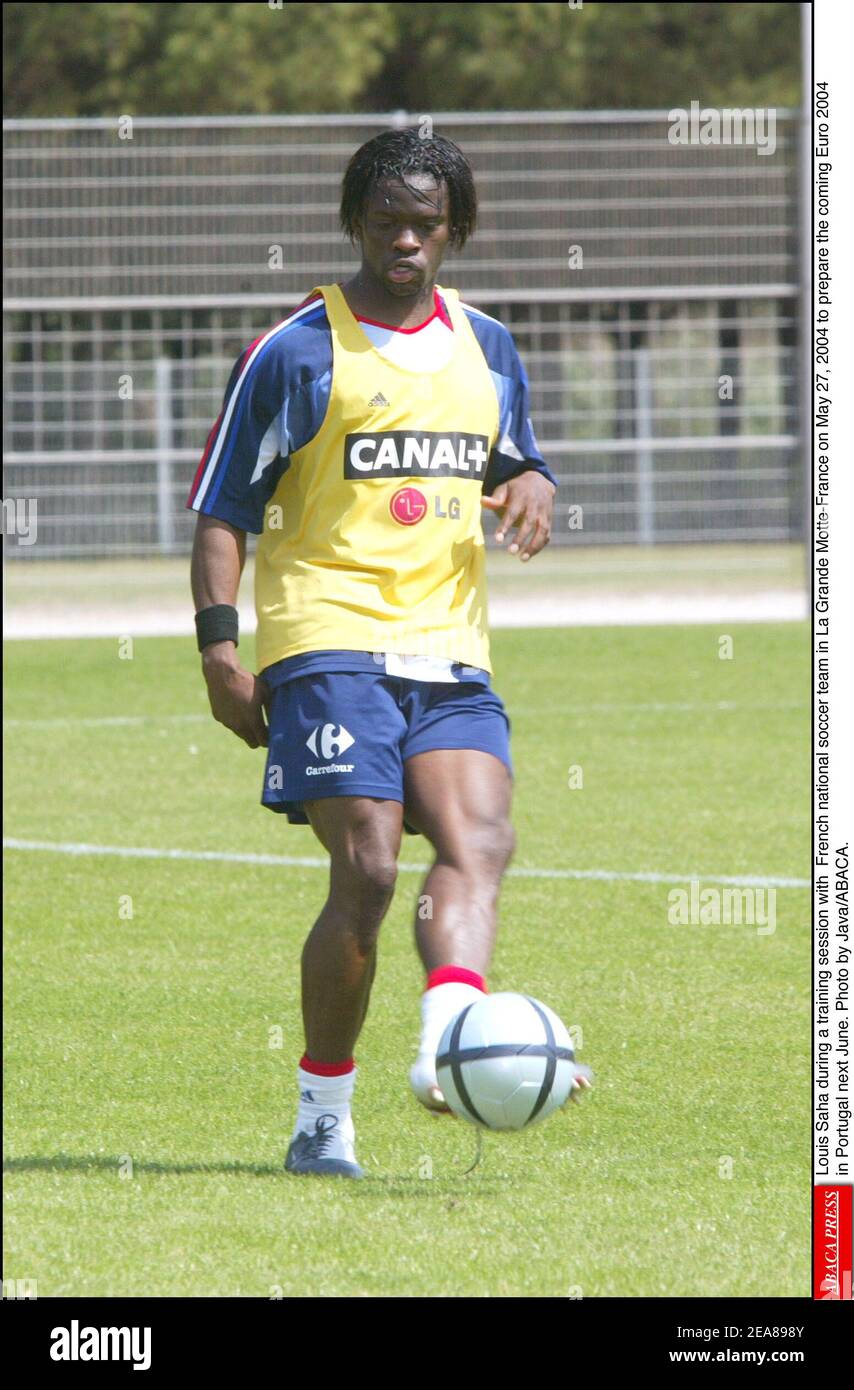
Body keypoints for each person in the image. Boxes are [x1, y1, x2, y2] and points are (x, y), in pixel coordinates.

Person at [187, 128, 589, 1179]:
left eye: (425, 223)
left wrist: (535, 482)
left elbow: (516, 458)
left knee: (479, 842)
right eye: (386, 221)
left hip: (447, 643)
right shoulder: (296, 349)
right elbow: (223, 509)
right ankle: (323, 1110)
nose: (405, 241)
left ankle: (444, 1044)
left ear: (452, 228)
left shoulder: (488, 343)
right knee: (366, 866)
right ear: (353, 221)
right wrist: (220, 650)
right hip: (324, 634)